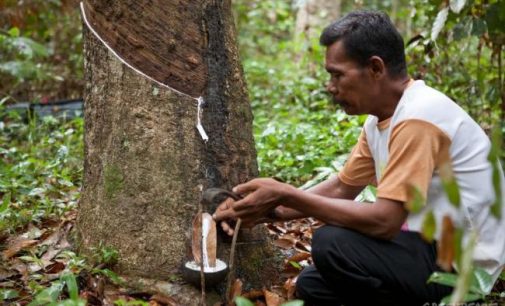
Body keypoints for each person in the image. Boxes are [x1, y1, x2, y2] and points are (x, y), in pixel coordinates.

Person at [213, 10, 505, 306]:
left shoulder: (420, 117)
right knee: (314, 285)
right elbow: (343, 187)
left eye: (337, 74)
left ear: (375, 68)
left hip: (463, 266)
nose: (331, 86)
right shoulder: (382, 119)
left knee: (330, 244)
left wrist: (286, 192)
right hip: (428, 247)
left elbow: (384, 222)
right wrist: (269, 209)